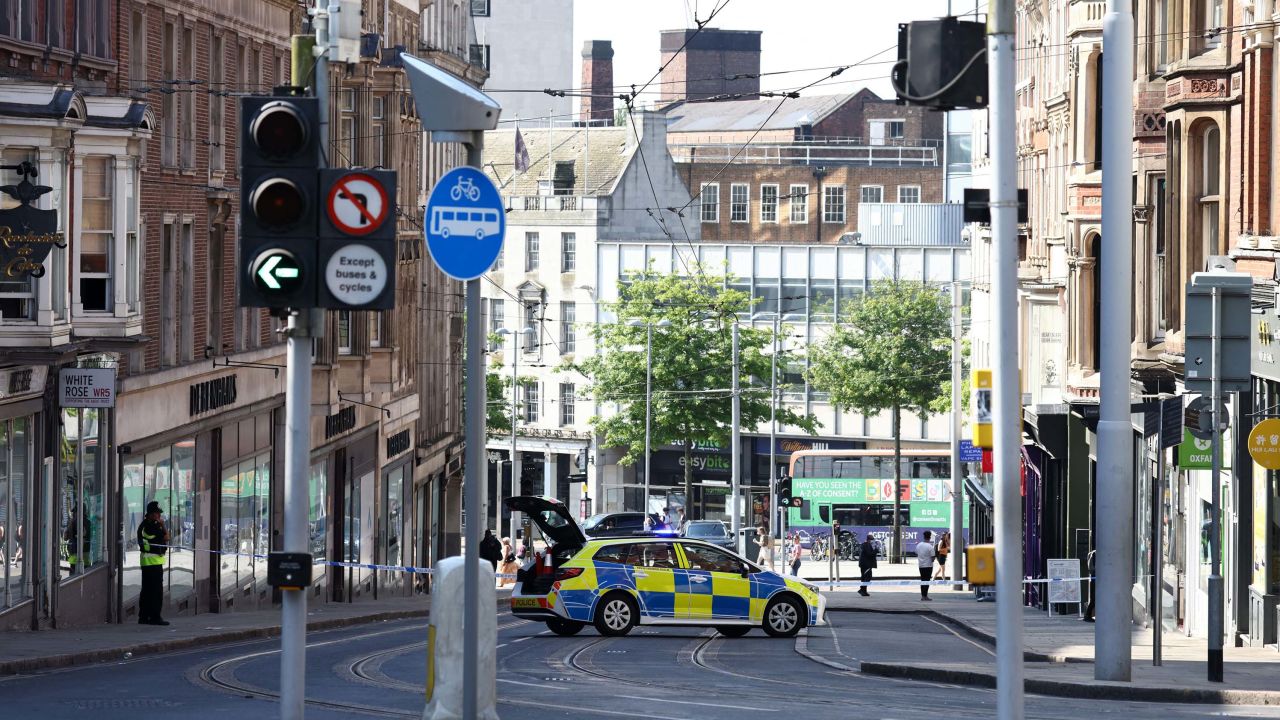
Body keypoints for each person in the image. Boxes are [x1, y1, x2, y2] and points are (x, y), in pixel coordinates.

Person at [137, 501, 170, 625]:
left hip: (148, 562)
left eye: (159, 514)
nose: (158, 516)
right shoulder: (151, 526)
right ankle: (155, 617)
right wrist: (163, 524)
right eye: (156, 513)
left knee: (147, 590)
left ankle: (144, 616)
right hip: (153, 562)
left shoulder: (145, 525)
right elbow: (167, 537)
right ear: (150, 514)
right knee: (156, 591)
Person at [915, 531, 937, 601]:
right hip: (928, 566)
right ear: (930, 537)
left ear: (924, 536)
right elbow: (933, 558)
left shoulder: (919, 545)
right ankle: (925, 596)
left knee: (922, 580)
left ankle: (923, 596)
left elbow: (916, 553)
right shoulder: (930, 547)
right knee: (927, 581)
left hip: (921, 565)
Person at [1082, 549, 1096, 622]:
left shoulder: (1092, 553)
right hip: (1096, 579)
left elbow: (1090, 569)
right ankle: (1088, 615)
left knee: (1094, 599)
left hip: (1094, 579)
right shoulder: (1095, 554)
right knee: (1094, 599)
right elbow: (1092, 568)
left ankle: (1088, 615)